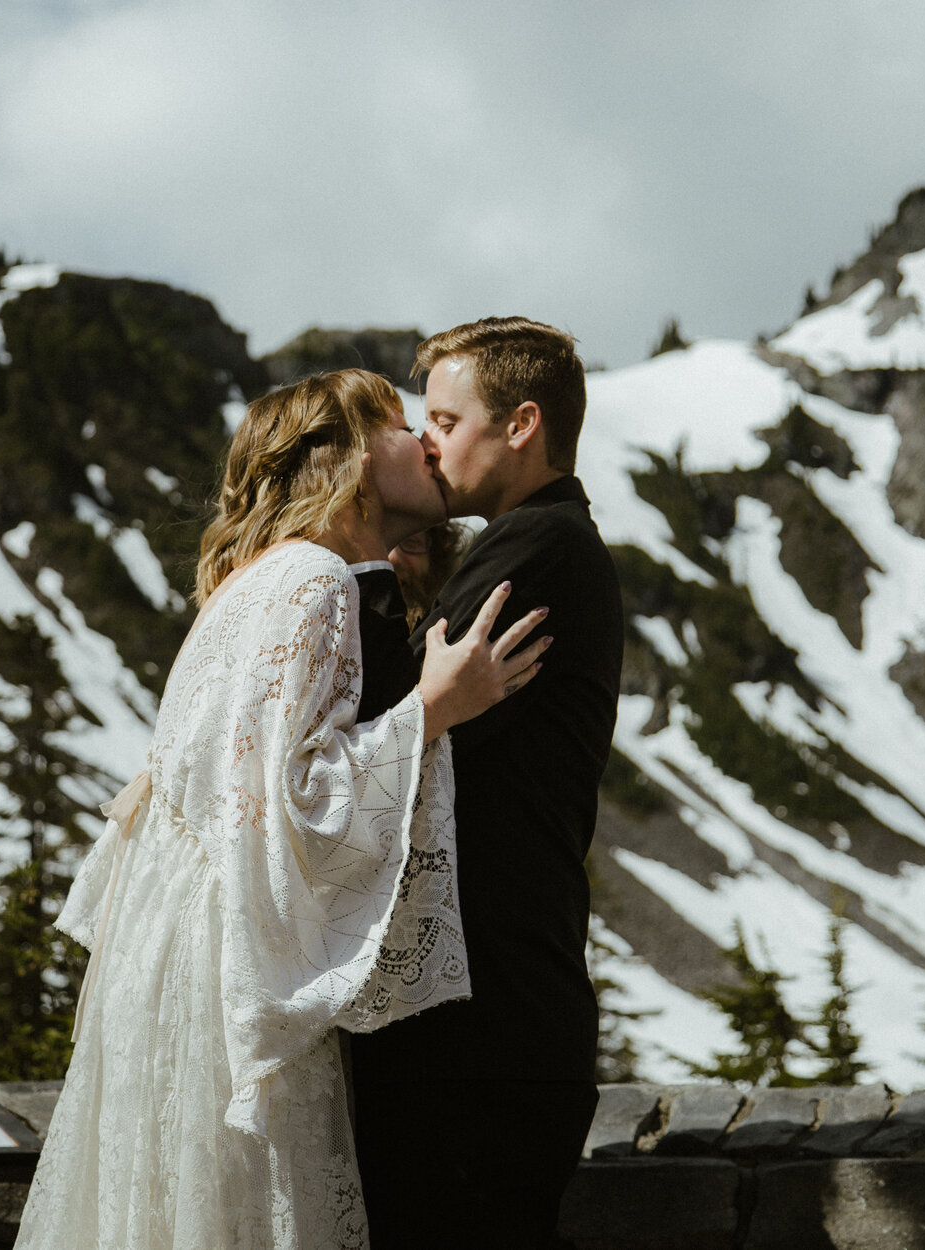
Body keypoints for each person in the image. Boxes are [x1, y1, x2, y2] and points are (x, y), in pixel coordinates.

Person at [14, 369, 550, 1250]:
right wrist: (435, 709)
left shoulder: (255, 582)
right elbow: (285, 809)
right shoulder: (316, 581)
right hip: (236, 959)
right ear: (342, 458)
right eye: (394, 423)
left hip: (184, 953)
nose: (422, 439)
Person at [349, 319, 624, 1249]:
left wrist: (365, 556)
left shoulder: (540, 546)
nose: (427, 439)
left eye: (445, 416)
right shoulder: (540, 543)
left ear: (522, 425)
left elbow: (385, 703)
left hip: (483, 1035)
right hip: (486, 1021)